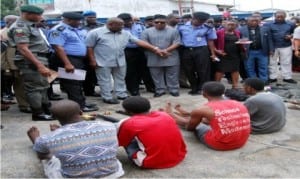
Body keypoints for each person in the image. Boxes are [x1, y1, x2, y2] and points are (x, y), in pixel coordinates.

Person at [27, 99, 124, 178]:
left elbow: (43, 156)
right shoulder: (109, 126)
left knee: (52, 160)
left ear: (54, 117)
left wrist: (36, 139)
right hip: (113, 174)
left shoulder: (47, 138)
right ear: (81, 112)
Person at [85, 17, 165, 104]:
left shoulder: (125, 33)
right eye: (120, 25)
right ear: (110, 24)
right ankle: (107, 97)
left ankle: (121, 94)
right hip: (103, 61)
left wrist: (155, 48)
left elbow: (138, 41)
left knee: (120, 78)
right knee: (104, 80)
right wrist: (92, 60)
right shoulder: (95, 33)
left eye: (122, 25)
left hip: (120, 60)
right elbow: (90, 47)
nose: (122, 27)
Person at [164, 81, 251, 150]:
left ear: (204, 94)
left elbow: (190, 128)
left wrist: (194, 120)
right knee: (209, 118)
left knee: (196, 123)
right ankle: (184, 115)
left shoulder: (203, 109)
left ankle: (171, 115)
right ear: (223, 93)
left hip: (220, 144)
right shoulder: (238, 103)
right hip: (242, 142)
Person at [8, 5, 53, 121]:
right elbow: (23, 48)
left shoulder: (30, 25)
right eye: (38, 15)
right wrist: (39, 65)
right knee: (34, 88)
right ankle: (38, 113)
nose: (41, 17)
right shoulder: (20, 27)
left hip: (39, 58)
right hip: (31, 61)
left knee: (43, 86)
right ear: (27, 14)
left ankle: (46, 110)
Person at [48, 12, 98, 112]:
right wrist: (67, 63)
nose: (79, 22)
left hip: (79, 59)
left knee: (78, 83)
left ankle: (81, 103)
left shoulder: (78, 29)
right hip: (67, 58)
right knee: (72, 83)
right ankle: (79, 106)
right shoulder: (58, 30)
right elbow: (58, 48)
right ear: (68, 20)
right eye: (77, 21)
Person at [117, 96, 186, 168]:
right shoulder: (165, 115)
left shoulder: (129, 123)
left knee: (125, 137)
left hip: (150, 162)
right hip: (179, 156)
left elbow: (120, 142)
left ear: (128, 112)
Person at [178, 11, 217, 95]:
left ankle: (202, 88)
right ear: (193, 18)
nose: (200, 23)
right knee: (189, 70)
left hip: (201, 50)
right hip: (186, 50)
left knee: (203, 70)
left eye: (203, 21)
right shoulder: (181, 27)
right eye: (199, 21)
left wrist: (213, 54)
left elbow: (210, 41)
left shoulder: (208, 27)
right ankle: (194, 87)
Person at [141, 14, 181, 97]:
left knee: (172, 74)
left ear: (166, 22)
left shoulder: (173, 31)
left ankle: (173, 89)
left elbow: (177, 43)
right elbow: (144, 43)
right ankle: (160, 90)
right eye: (157, 22)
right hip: (153, 55)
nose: (159, 24)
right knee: (156, 74)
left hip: (170, 55)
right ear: (153, 22)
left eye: (162, 22)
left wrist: (165, 50)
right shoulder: (146, 31)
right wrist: (157, 50)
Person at [117, 13, 154, 96]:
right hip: (127, 51)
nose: (129, 22)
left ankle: (150, 87)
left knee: (145, 69)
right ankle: (133, 89)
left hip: (140, 49)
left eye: (130, 20)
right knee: (130, 71)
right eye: (126, 21)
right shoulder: (119, 29)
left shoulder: (139, 26)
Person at [1, 15, 32, 113]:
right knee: (19, 85)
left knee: (22, 85)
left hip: (19, 62)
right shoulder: (5, 33)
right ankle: (24, 105)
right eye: (16, 21)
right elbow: (6, 53)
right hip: (13, 64)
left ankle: (25, 104)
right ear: (9, 22)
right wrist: (9, 67)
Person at [265, 10, 297, 84]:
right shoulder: (268, 24)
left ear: (285, 17)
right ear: (275, 16)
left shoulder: (291, 24)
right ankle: (273, 77)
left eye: (281, 17)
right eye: (277, 17)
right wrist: (270, 47)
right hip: (273, 46)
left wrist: (290, 36)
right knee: (272, 62)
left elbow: (295, 33)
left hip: (286, 46)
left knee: (286, 62)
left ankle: (287, 77)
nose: (279, 18)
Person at [214, 20, 245, 89]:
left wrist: (242, 42)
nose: (231, 26)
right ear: (225, 25)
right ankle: (216, 85)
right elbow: (213, 43)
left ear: (236, 26)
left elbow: (239, 42)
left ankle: (235, 85)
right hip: (223, 55)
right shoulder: (219, 33)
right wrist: (217, 51)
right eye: (229, 24)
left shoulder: (237, 33)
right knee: (220, 70)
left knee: (235, 70)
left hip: (235, 54)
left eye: (233, 25)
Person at [240, 16, 271, 84]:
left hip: (262, 51)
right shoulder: (241, 30)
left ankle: (264, 81)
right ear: (247, 22)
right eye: (252, 21)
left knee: (263, 66)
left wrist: (271, 49)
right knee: (249, 67)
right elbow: (239, 40)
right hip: (249, 51)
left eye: (256, 21)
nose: (254, 22)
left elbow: (269, 40)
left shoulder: (265, 29)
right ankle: (253, 81)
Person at [82, 10, 103, 97]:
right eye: (90, 17)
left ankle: (103, 89)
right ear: (85, 18)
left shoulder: (102, 26)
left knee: (99, 72)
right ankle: (89, 91)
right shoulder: (80, 27)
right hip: (86, 53)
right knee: (88, 73)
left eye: (94, 17)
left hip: (100, 52)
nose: (92, 19)